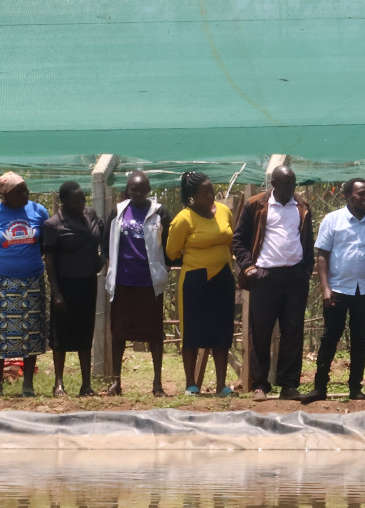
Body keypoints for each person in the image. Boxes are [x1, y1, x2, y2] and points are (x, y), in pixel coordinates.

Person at [303, 178, 365, 404]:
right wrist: (325, 289)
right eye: (361, 194)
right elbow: (322, 255)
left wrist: (361, 267)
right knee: (330, 337)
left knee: (359, 339)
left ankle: (355, 388)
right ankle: (319, 387)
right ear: (347, 196)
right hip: (337, 290)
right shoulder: (333, 220)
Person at [234, 164, 314, 401]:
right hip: (265, 277)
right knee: (261, 332)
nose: (291, 188)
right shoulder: (256, 205)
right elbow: (238, 240)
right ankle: (259, 384)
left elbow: (308, 241)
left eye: (293, 184)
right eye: (286, 184)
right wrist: (249, 267)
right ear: (274, 184)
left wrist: (306, 270)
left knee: (293, 331)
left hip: (295, 278)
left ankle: (288, 385)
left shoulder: (302, 206)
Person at [0, 172, 52, 397]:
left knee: (31, 331)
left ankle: (28, 383)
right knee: (0, 332)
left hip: (32, 279)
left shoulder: (38, 211)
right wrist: (5, 266)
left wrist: (27, 263)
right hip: (3, 281)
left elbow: (43, 244)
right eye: (20, 191)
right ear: (7, 195)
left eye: (26, 189)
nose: (26, 194)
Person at [166, 171, 237, 396]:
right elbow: (171, 251)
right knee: (193, 332)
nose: (211, 196)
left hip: (223, 278)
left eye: (212, 191)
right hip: (195, 281)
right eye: (205, 193)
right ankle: (191, 384)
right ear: (192, 196)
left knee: (222, 332)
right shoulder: (184, 218)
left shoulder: (224, 211)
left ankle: (221, 385)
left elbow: (231, 239)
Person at [103, 169, 173, 396]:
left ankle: (157, 383)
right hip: (124, 283)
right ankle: (116, 381)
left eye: (142, 189)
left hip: (149, 284)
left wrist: (163, 268)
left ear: (149, 190)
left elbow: (170, 246)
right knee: (119, 333)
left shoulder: (160, 212)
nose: (138, 193)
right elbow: (106, 244)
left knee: (154, 334)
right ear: (128, 190)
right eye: (134, 189)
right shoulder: (118, 212)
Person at [42, 180, 103, 396]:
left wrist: (101, 259)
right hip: (65, 285)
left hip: (87, 282)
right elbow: (49, 260)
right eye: (76, 200)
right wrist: (56, 293)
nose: (81, 203)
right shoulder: (54, 225)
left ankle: (86, 384)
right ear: (64, 201)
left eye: (83, 199)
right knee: (61, 334)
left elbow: (102, 236)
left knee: (85, 332)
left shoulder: (91, 216)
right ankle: (59, 383)